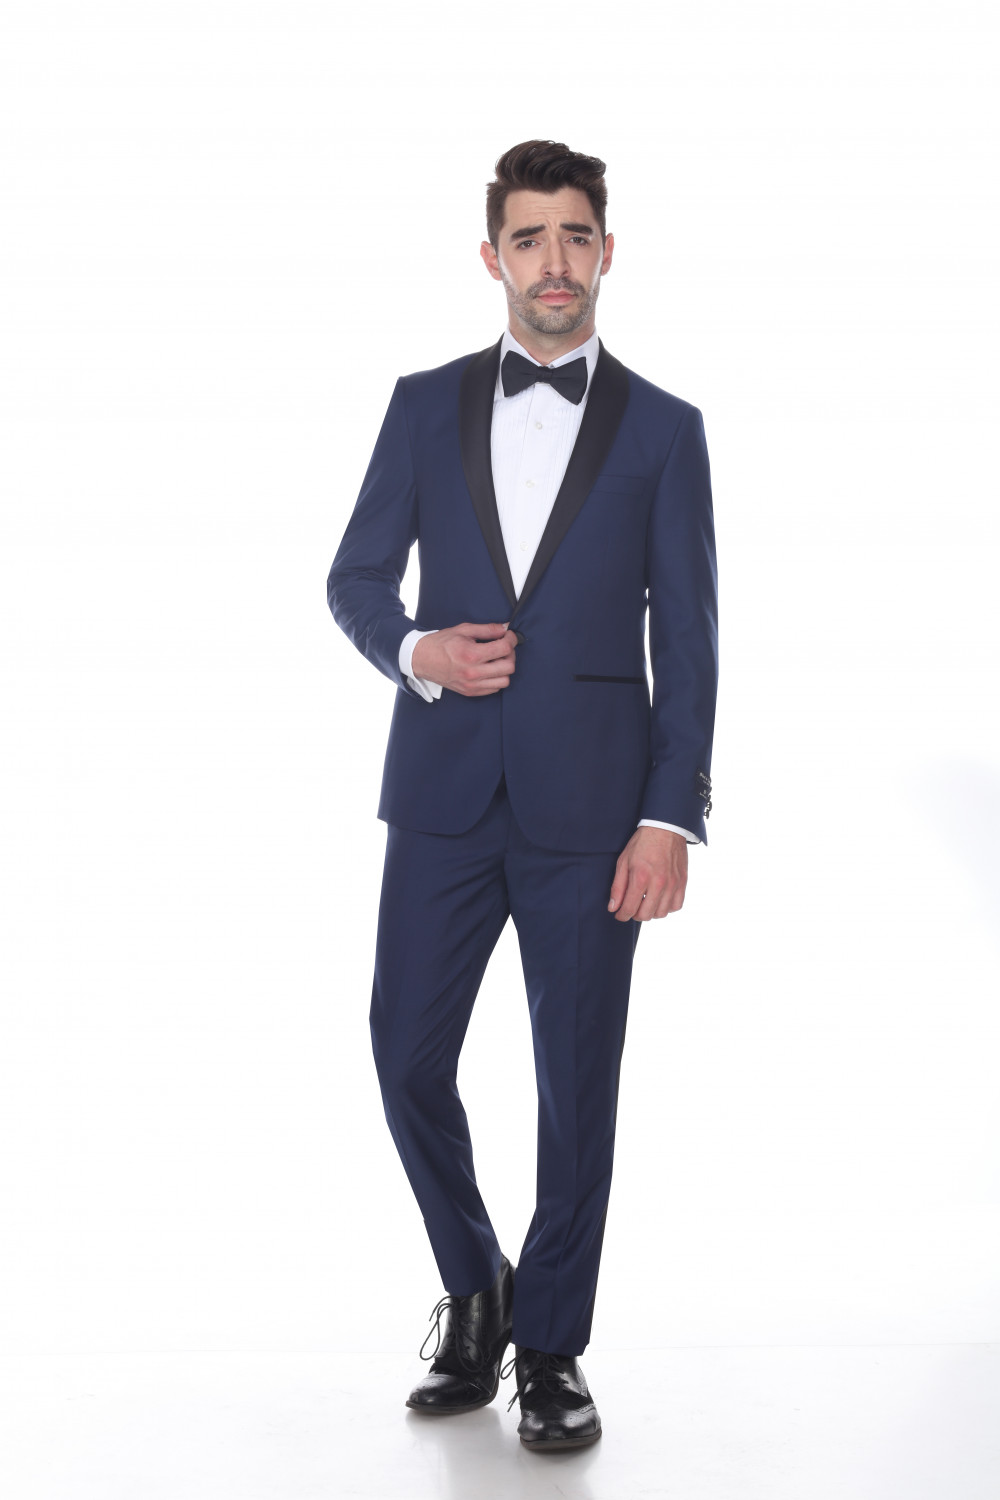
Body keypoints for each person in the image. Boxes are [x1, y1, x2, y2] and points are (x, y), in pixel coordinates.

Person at [326, 139, 718, 1452]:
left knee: (576, 1084)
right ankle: (478, 1283)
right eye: (530, 237)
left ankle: (550, 1344)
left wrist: (669, 815)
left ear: (608, 251)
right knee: (403, 1051)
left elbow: (690, 641)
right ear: (492, 256)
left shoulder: (666, 430)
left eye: (576, 235)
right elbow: (356, 578)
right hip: (441, 793)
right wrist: (417, 653)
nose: (555, 261)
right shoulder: (420, 404)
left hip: (597, 815)